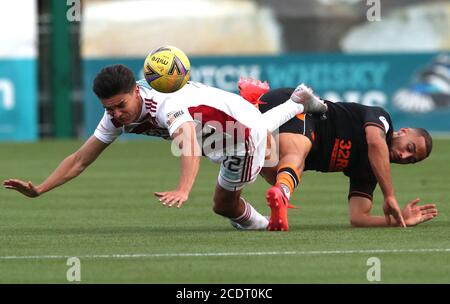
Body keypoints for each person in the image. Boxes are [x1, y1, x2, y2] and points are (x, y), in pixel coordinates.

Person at [3, 64, 327, 230]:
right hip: (217, 128)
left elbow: (186, 142)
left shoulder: (164, 104)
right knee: (239, 138)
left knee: (224, 205)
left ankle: (267, 226)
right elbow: (80, 159)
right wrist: (41, 189)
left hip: (239, 136)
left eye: (119, 105)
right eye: (108, 109)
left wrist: (183, 188)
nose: (116, 114)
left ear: (135, 91)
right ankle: (298, 99)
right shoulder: (117, 115)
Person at [238, 78, 438, 231]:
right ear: (403, 131)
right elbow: (374, 141)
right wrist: (389, 195)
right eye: (409, 148)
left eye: (411, 159)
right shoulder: (382, 119)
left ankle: (244, 214)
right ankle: (282, 193)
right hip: (297, 106)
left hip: (282, 132)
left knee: (265, 166)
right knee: (296, 155)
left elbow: (358, 217)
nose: (404, 156)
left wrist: (394, 221)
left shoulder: (369, 171)